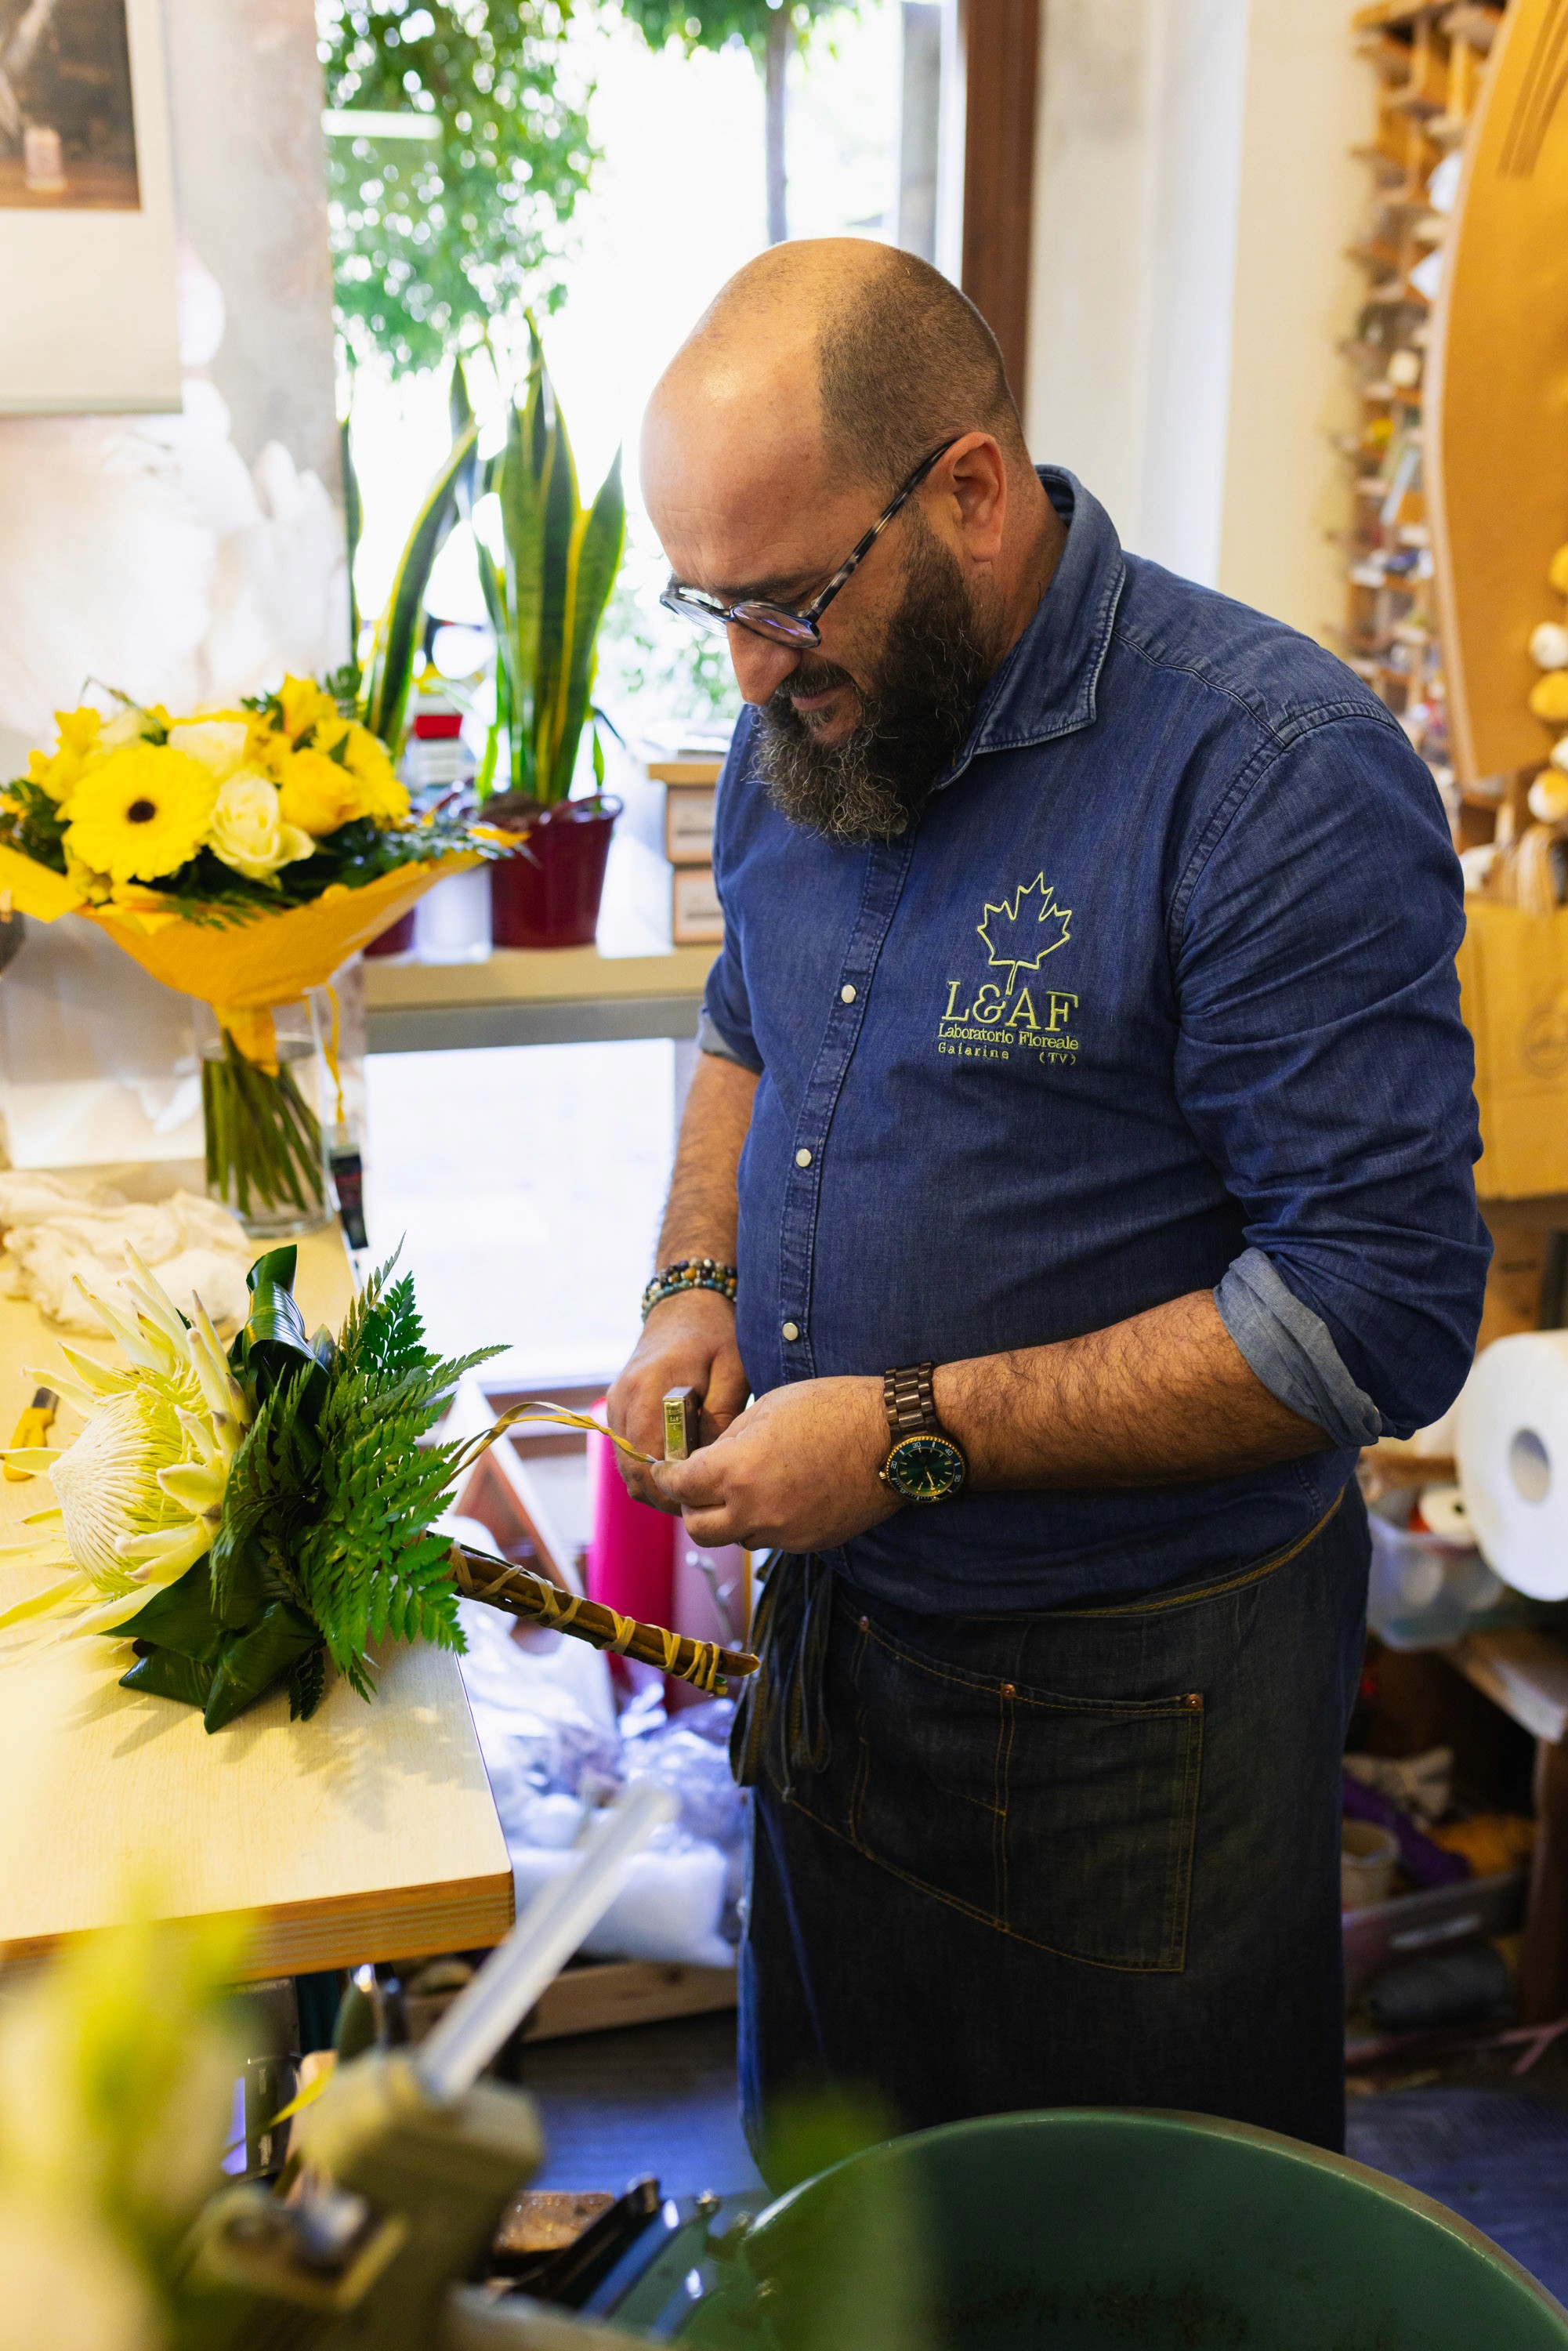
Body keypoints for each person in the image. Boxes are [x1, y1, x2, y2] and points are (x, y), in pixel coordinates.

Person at [607, 239, 1489, 2161]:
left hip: (1129, 1719)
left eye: (786, 600)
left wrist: (912, 1436)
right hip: (843, 1666)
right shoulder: (807, 717)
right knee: (845, 2230)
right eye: (710, 608)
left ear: (972, 491)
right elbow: (746, 1010)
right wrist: (696, 1278)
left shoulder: (1268, 774)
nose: (750, 671)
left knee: (1115, 2266)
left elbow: (1373, 1309)